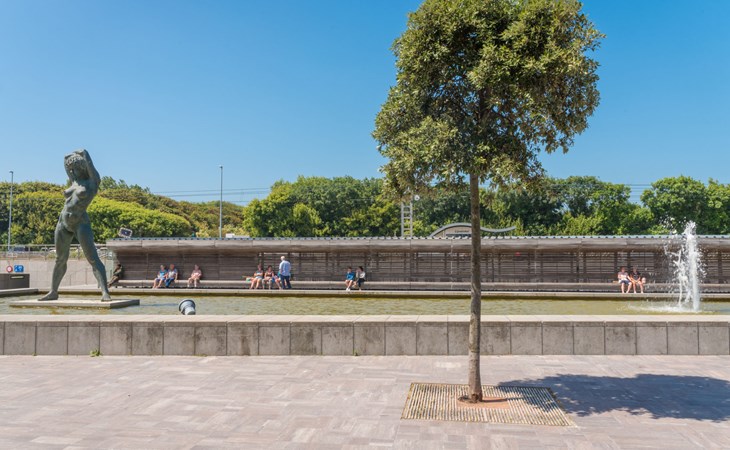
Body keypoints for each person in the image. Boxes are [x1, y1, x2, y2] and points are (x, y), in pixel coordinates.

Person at [39, 150, 112, 301]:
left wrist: (84, 154)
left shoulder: (92, 183)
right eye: (71, 169)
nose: (72, 171)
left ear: (83, 168)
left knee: (93, 259)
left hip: (80, 223)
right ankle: (53, 291)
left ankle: (105, 292)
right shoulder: (74, 181)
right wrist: (71, 159)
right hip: (63, 223)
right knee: (60, 259)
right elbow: (65, 159)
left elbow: (92, 170)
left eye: (75, 168)